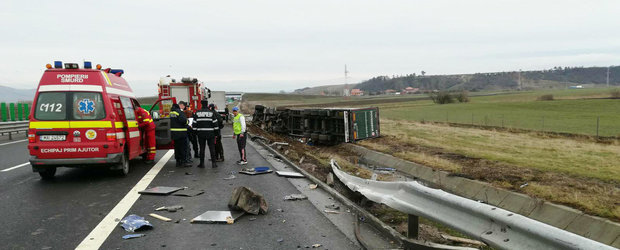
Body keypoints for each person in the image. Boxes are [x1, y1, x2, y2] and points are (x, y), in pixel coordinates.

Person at [193, 100, 220, 168]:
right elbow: (215, 124)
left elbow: (194, 124)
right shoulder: (211, 113)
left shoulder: (197, 113)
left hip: (201, 134)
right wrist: (216, 133)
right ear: (207, 104)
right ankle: (214, 164)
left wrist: (195, 133)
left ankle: (202, 164)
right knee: (212, 148)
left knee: (202, 149)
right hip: (211, 134)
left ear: (201, 104)